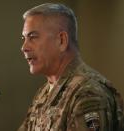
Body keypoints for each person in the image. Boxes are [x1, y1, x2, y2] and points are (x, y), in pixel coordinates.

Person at [18, 3, 124, 131]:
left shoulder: (88, 93)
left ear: (62, 40)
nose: (24, 47)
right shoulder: (44, 92)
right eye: (24, 38)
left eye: (33, 37)